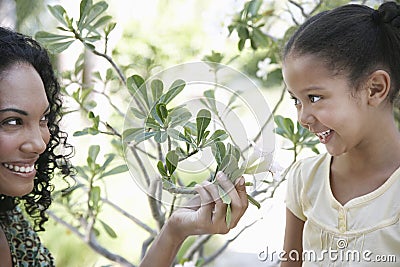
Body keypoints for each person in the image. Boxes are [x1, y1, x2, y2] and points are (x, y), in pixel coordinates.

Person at [0, 27, 248, 266]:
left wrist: (175, 230)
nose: (39, 143)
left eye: (43, 119)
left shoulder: (9, 220)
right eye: (12, 121)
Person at [281, 1, 400, 266]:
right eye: (296, 100)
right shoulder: (305, 179)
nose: (303, 117)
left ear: (375, 89)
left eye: (314, 97)